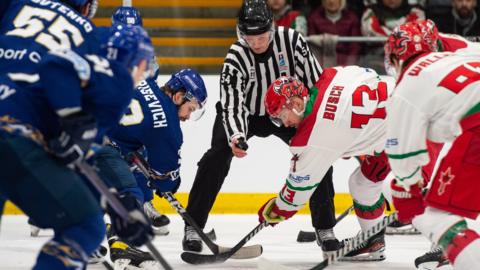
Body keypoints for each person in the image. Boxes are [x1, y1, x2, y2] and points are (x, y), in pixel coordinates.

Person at [184, 0, 340, 253]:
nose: (256, 42)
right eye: (249, 37)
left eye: (262, 36)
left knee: (316, 157)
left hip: (287, 111)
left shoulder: (291, 40)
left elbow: (316, 82)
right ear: (240, 33)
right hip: (247, 113)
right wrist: (236, 135)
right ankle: (193, 225)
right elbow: (232, 102)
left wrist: (322, 123)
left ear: (272, 28)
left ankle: (325, 228)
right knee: (215, 158)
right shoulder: (236, 55)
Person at [0, 24, 155, 270]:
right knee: (86, 226)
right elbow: (57, 64)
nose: (144, 73)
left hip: (16, 142)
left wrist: (114, 204)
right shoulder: (116, 79)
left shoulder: (91, 72)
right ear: (135, 62)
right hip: (14, 139)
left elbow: (79, 161)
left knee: (88, 222)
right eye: (145, 64)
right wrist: (71, 113)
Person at [258, 71, 398, 260]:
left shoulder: (312, 136)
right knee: (362, 184)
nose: (284, 124)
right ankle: (374, 242)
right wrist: (355, 141)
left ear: (297, 104)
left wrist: (276, 209)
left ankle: (446, 241)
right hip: (406, 100)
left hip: (407, 128)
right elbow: (367, 75)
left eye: (282, 115)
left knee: (404, 187)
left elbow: (297, 191)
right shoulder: (331, 76)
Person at [384, 22, 480, 270]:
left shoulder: (407, 86)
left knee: (436, 217)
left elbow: (403, 163)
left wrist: (406, 188)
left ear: (395, 58)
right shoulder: (458, 54)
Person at [103, 68, 207, 268]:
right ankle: (121, 243)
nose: (187, 117)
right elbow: (165, 176)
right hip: (98, 146)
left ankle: (81, 240)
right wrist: (167, 184)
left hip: (74, 127)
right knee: (130, 190)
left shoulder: (146, 81)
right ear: (178, 96)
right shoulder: (169, 127)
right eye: (191, 109)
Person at [308, 0, 361, 66]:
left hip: (345, 65)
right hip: (321, 64)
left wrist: (349, 68)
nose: (331, 1)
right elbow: (312, 47)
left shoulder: (352, 18)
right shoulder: (314, 17)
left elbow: (355, 47)